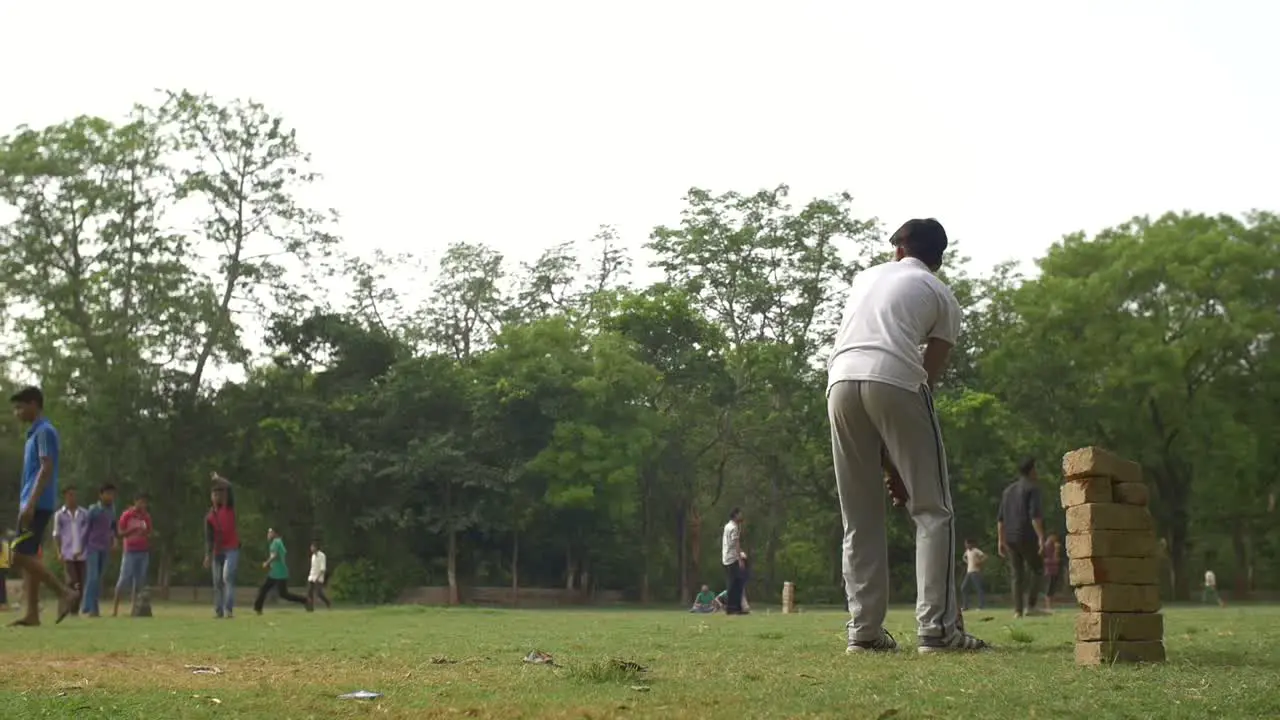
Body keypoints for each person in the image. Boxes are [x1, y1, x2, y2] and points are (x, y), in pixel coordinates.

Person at [826, 219, 988, 653]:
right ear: (938, 259)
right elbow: (923, 381)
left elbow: (868, 368)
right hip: (896, 379)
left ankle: (864, 633)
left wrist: (890, 460)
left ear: (898, 249)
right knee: (933, 510)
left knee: (858, 517)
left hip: (839, 382)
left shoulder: (864, 278)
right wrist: (898, 460)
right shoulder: (939, 293)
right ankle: (936, 630)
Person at [9, 386, 78, 626]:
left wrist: (30, 503)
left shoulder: (45, 431)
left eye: (20, 407)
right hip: (30, 502)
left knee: (17, 556)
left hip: (37, 503)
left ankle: (64, 593)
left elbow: (46, 467)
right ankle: (32, 614)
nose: (16, 412)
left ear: (33, 404)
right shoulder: (33, 434)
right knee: (28, 555)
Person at [998, 458, 1048, 618]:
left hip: (1010, 537)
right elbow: (1035, 516)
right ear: (1031, 471)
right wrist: (1041, 537)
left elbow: (1000, 519)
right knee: (1038, 569)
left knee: (1017, 574)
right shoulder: (1032, 489)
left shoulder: (1008, 491)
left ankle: (1017, 611)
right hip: (1026, 535)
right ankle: (1031, 606)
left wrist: (1000, 540)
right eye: (1036, 469)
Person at [204, 473, 240, 619]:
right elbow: (208, 538)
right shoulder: (209, 517)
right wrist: (208, 555)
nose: (218, 496)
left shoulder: (228, 508)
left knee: (227, 577)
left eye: (220, 493)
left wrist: (218, 479)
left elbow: (229, 487)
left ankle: (228, 609)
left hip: (231, 548)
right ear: (211, 497)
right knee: (217, 582)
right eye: (215, 494)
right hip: (217, 550)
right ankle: (218, 610)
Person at [113, 493, 152, 617]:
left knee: (139, 581)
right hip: (130, 551)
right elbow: (119, 532)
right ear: (135, 502)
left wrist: (145, 533)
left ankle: (135, 609)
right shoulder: (127, 515)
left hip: (143, 551)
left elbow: (150, 532)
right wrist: (132, 531)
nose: (142, 505)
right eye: (140, 502)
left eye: (144, 502)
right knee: (124, 579)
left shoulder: (146, 517)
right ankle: (115, 609)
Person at [253, 528, 310, 614]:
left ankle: (305, 600)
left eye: (270, 533)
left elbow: (275, 555)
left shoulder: (276, 542)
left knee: (267, 590)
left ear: (275, 533)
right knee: (282, 594)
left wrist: (267, 563)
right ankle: (305, 600)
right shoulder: (279, 542)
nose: (268, 535)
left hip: (278, 572)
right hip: (278, 572)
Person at [52, 487, 90, 616]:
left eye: (74, 495)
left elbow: (86, 533)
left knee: (81, 583)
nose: (72, 497)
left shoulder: (84, 513)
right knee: (71, 581)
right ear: (65, 497)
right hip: (67, 553)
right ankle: (65, 607)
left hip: (82, 553)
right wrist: (59, 551)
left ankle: (74, 610)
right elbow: (56, 534)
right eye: (70, 495)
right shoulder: (60, 514)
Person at [81, 483, 117, 616]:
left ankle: (94, 610)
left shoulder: (112, 510)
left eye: (112, 494)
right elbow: (86, 529)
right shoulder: (93, 510)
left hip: (105, 547)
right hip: (92, 547)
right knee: (93, 577)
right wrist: (81, 546)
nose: (110, 497)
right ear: (101, 495)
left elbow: (112, 528)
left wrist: (114, 542)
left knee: (99, 579)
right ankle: (87, 605)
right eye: (107, 494)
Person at [720, 508, 748, 615]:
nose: (741, 516)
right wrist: (740, 559)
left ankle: (735, 607)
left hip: (727, 557)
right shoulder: (734, 528)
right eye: (740, 514)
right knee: (736, 584)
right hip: (733, 559)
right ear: (735, 515)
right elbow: (736, 544)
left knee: (734, 583)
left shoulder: (728, 525)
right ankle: (732, 608)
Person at [960, 540, 987, 611]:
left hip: (975, 572)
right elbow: (964, 557)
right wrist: (967, 562)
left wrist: (979, 562)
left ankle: (981, 606)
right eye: (965, 544)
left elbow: (984, 556)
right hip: (969, 572)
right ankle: (965, 606)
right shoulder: (967, 551)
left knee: (979, 588)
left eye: (967, 544)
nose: (966, 546)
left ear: (971, 544)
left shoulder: (976, 550)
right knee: (963, 587)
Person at [307, 540, 331, 610]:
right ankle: (310, 607)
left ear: (316, 547)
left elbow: (322, 568)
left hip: (319, 577)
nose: (311, 549)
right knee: (309, 592)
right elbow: (313, 567)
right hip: (312, 576)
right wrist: (310, 576)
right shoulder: (313, 556)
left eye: (312, 547)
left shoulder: (322, 556)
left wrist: (317, 577)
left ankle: (327, 602)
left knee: (319, 593)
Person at [1042, 534, 1062, 611]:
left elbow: (1057, 558)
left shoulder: (1055, 546)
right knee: (1049, 589)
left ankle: (1051, 606)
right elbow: (1044, 559)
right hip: (1048, 571)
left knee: (1053, 588)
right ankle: (1048, 606)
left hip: (1055, 570)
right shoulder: (1046, 546)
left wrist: (1057, 550)